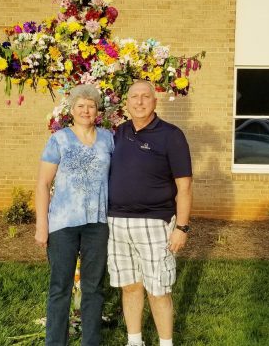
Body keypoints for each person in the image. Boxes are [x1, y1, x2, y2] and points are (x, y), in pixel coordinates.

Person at [108, 80, 192, 346]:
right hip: (116, 223)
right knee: (130, 285)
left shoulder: (171, 135)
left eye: (146, 97)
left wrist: (182, 227)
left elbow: (185, 185)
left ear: (155, 101)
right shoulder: (117, 133)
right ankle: (135, 341)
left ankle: (166, 343)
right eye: (134, 97)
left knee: (159, 289)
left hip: (155, 223)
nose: (140, 102)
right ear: (127, 102)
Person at [35, 84, 114, 346]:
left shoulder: (107, 139)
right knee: (61, 288)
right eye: (80, 105)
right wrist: (41, 226)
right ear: (72, 109)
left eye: (90, 106)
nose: (86, 110)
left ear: (97, 110)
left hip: (97, 223)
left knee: (93, 287)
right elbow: (43, 185)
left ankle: (91, 342)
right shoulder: (59, 140)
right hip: (63, 224)